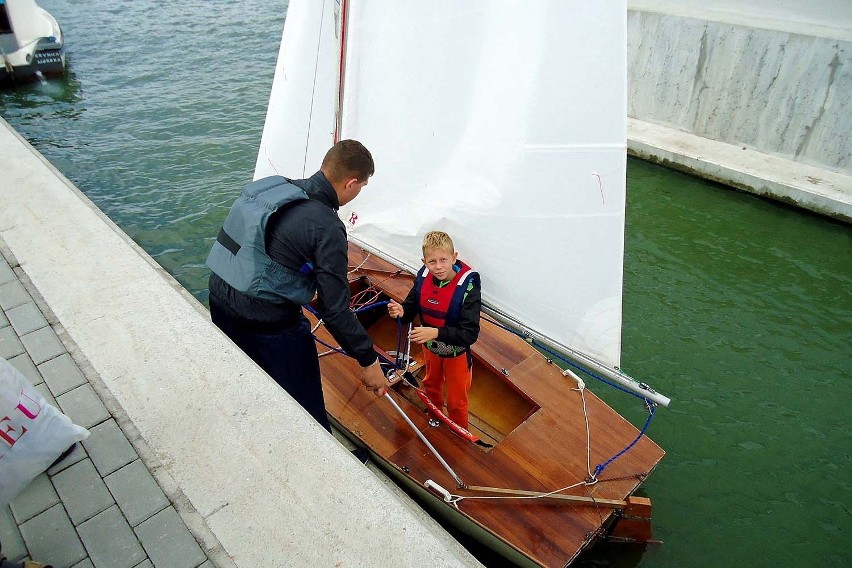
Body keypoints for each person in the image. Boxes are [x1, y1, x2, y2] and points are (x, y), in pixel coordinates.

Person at [207, 140, 387, 433]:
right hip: (262, 322)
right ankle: (321, 455)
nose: (359, 192)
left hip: (219, 297)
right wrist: (368, 361)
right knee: (305, 398)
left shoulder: (274, 187)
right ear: (351, 184)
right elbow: (334, 310)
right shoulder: (327, 226)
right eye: (362, 187)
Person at [387, 231, 481, 429]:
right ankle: (435, 415)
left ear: (454, 257)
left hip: (456, 352)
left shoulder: (468, 288)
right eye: (432, 262)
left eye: (443, 260)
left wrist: (436, 332)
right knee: (431, 384)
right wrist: (401, 311)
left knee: (456, 399)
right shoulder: (422, 278)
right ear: (424, 261)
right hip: (431, 348)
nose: (438, 267)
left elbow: (470, 334)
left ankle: (458, 431)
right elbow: (410, 308)